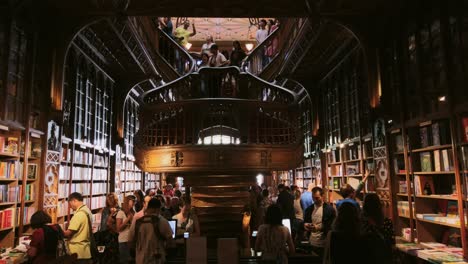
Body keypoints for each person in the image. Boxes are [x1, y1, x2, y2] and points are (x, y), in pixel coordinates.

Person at [128, 198, 174, 264]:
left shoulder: (137, 222)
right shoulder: (161, 221)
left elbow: (130, 242)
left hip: (140, 259)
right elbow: (170, 240)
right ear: (157, 209)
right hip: (157, 259)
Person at [303, 187, 336, 258]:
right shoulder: (309, 209)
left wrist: (318, 227)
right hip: (312, 242)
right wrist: (305, 225)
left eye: (317, 198)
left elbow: (331, 226)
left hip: (324, 243)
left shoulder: (329, 210)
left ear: (322, 196)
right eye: (313, 198)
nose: (315, 200)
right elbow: (305, 222)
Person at [361, 193, 394, 264]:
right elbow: (391, 242)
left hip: (366, 257)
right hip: (383, 258)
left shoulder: (360, 222)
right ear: (379, 205)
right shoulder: (386, 222)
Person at [63, 192, 93, 263]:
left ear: (74, 201)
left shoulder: (79, 215)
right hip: (85, 250)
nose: (70, 207)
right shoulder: (87, 211)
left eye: (70, 204)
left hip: (77, 252)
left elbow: (68, 233)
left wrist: (57, 230)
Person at [116, 195, 135, 263]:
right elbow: (118, 228)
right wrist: (128, 219)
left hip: (131, 240)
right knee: (124, 261)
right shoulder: (120, 212)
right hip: (123, 240)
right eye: (131, 202)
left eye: (133, 202)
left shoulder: (132, 212)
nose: (133, 204)